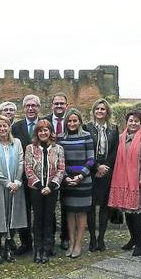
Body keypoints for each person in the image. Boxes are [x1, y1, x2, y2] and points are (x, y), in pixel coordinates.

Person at [109, 110, 141, 257]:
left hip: (138, 182)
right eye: (131, 120)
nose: (133, 123)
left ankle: (139, 243)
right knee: (128, 212)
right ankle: (132, 239)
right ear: (126, 122)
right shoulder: (120, 138)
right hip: (123, 181)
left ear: (140, 123)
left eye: (136, 121)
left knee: (136, 213)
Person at [0, 115, 27, 264]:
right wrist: (6, 183)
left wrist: (16, 180)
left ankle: (7, 249)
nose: (2, 129)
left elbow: (21, 161)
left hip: (15, 186)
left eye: (5, 126)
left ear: (9, 127)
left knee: (12, 216)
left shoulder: (16, 143)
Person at [24, 119, 65, 264]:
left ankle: (47, 248)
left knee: (49, 218)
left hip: (52, 189)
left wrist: (51, 186)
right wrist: (41, 187)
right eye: (40, 130)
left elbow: (61, 169)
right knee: (38, 219)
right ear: (37, 133)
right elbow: (28, 169)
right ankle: (38, 249)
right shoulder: (30, 148)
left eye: (45, 130)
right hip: (36, 189)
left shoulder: (58, 149)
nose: (43, 133)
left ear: (50, 132)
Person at [83, 98, 119, 252]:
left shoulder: (113, 128)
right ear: (93, 111)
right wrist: (96, 167)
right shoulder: (87, 128)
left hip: (107, 172)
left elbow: (114, 151)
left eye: (102, 109)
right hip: (91, 171)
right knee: (90, 207)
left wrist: (105, 167)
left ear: (107, 111)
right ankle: (91, 238)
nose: (99, 111)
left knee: (105, 206)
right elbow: (86, 150)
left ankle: (101, 238)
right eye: (97, 109)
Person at [58, 108, 95, 258]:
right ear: (66, 122)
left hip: (83, 181)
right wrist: (66, 176)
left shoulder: (87, 137)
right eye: (69, 121)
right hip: (66, 181)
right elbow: (59, 160)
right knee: (70, 212)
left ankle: (79, 244)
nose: (72, 123)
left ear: (80, 121)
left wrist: (80, 176)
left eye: (75, 121)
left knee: (81, 212)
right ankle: (71, 242)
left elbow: (91, 159)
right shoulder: (60, 138)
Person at [10, 94, 40, 255]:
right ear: (24, 108)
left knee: (42, 211)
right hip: (22, 177)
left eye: (34, 105)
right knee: (24, 211)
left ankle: (42, 242)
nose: (30, 108)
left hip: (41, 178)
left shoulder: (44, 125)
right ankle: (26, 243)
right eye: (28, 105)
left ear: (38, 108)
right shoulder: (16, 127)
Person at [43, 92, 70, 251]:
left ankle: (65, 237)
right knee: (50, 208)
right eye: (56, 103)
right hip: (48, 172)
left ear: (66, 105)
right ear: (52, 105)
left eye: (62, 103)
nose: (59, 106)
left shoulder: (72, 120)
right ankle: (50, 237)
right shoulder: (45, 121)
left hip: (67, 171)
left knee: (66, 205)